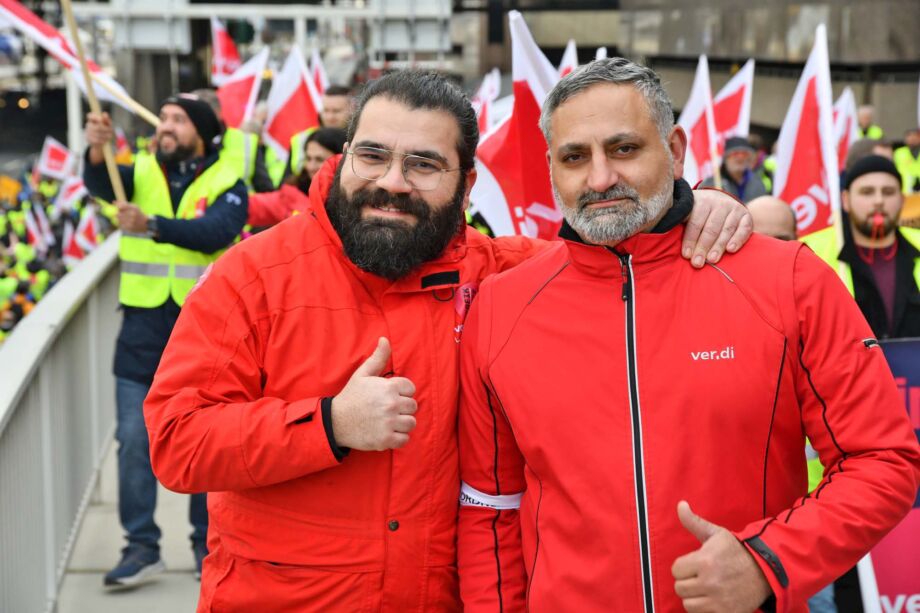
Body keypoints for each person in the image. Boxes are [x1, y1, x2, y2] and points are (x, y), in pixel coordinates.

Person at [142, 70, 753, 611]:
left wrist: (699, 204)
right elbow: (176, 441)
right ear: (346, 153)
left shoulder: (508, 274)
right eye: (373, 156)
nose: (393, 182)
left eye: (424, 164)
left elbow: (622, 255)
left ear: (468, 182)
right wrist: (327, 424)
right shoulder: (253, 274)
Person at [456, 58, 920, 612]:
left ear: (675, 150)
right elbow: (491, 508)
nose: (600, 178)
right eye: (575, 157)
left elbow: (883, 459)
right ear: (551, 167)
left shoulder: (787, 278)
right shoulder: (503, 308)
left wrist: (768, 561)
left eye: (624, 148)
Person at [82, 93, 248, 588]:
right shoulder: (139, 170)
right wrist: (96, 150)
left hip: (204, 330)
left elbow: (216, 231)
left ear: (200, 131)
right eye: (165, 119)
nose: (167, 126)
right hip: (142, 327)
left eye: (178, 120)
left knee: (205, 440)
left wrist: (151, 225)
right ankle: (141, 546)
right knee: (134, 440)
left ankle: (205, 543)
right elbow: (98, 181)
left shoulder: (228, 180)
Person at [802, 155, 920, 339]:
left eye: (888, 192)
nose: (879, 201)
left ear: (902, 200)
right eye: (867, 192)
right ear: (846, 200)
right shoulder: (809, 251)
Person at [245, 128, 347, 228]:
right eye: (308, 158)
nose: (311, 166)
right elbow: (256, 206)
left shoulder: (354, 198)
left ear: (341, 159)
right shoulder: (294, 193)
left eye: (319, 159)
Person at [701, 136, 768, 203]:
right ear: (726, 158)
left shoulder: (757, 183)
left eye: (744, 154)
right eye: (735, 153)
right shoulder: (712, 183)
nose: (740, 158)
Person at [893, 127, 920, 194]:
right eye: (909, 136)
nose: (912, 139)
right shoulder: (899, 153)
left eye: (915, 136)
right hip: (906, 191)